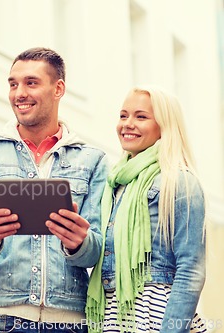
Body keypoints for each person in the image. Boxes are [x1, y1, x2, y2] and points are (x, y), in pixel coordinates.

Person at [0, 47, 108, 332]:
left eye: (31, 83)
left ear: (58, 88)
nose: (18, 93)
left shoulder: (92, 160)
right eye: (13, 84)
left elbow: (97, 251)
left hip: (69, 320)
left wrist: (77, 242)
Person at [86, 86, 206, 333]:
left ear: (164, 125)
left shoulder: (179, 181)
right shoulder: (113, 182)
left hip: (155, 315)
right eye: (123, 116)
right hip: (111, 315)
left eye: (141, 117)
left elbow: (191, 269)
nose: (128, 124)